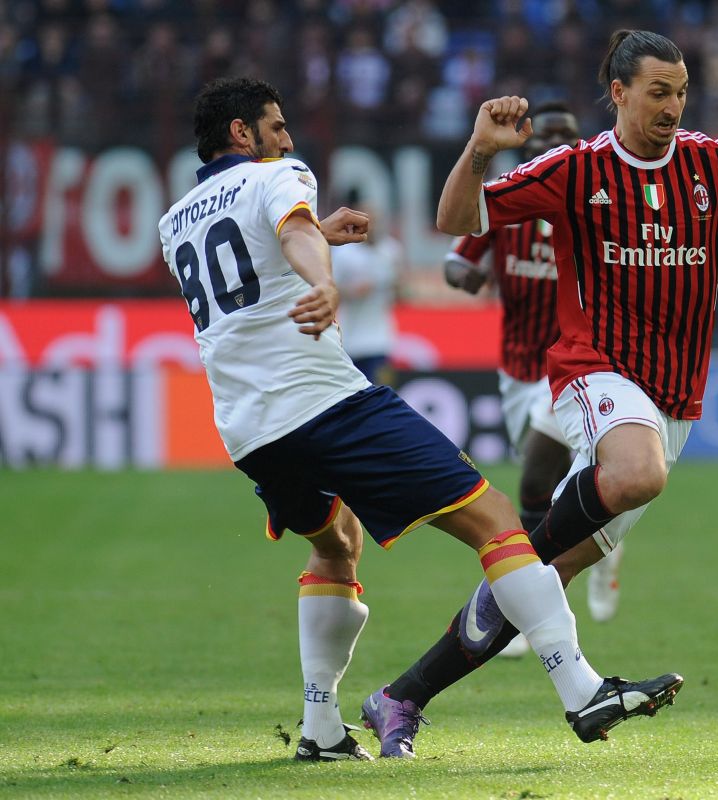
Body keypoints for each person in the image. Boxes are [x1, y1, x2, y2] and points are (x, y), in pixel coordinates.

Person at [158, 76, 683, 763]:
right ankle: (581, 689)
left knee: (334, 546)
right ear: (241, 134)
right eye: (276, 126)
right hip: (324, 403)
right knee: (497, 522)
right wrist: (322, 272)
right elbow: (288, 236)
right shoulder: (279, 174)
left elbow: (247, 274)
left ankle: (320, 729)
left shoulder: (176, 221)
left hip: (250, 432)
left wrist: (320, 237)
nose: (287, 138)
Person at [365, 29, 718, 759]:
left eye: (681, 92)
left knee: (535, 586)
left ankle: (401, 697)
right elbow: (456, 221)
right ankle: (523, 564)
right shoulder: (574, 169)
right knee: (635, 474)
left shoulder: (715, 164)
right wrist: (480, 147)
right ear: (618, 93)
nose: (673, 107)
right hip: (594, 369)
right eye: (658, 92)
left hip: (675, 402)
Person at [443, 102, 625, 658]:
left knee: (541, 487)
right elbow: (458, 255)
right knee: (553, 490)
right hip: (519, 369)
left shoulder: (594, 197)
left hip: (578, 364)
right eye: (543, 136)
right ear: (526, 143)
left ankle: (524, 613)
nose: (552, 145)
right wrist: (467, 274)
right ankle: (604, 546)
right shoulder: (512, 199)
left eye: (563, 135)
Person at [330, 194, 404, 384]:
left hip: (381, 340)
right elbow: (330, 289)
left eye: (375, 221)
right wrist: (352, 291)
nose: (372, 226)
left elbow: (401, 289)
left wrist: (395, 286)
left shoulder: (391, 250)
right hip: (350, 340)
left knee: (382, 393)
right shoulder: (343, 252)